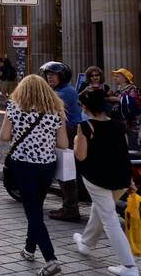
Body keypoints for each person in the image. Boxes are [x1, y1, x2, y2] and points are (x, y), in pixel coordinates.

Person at [0, 74, 68, 276]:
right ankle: (30, 249)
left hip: (23, 165)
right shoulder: (56, 110)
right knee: (36, 206)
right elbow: (63, 144)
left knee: (33, 213)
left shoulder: (14, 107)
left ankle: (51, 259)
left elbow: (4, 136)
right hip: (47, 166)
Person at [71, 88, 138, 276]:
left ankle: (129, 266)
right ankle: (86, 243)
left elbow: (80, 156)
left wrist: (77, 139)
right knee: (99, 210)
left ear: (85, 107)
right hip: (120, 178)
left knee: (109, 218)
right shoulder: (118, 125)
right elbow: (123, 153)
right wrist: (130, 179)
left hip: (97, 178)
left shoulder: (85, 127)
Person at [41, 61, 84, 223]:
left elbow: (47, 107)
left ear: (62, 76)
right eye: (47, 75)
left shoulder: (64, 92)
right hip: (67, 132)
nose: (49, 78)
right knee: (66, 171)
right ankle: (69, 205)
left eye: (53, 75)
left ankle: (71, 209)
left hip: (69, 133)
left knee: (66, 172)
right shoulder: (59, 90)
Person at [109, 68, 140, 150]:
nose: (115, 78)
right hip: (119, 122)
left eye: (118, 76)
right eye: (115, 76)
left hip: (130, 123)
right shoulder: (118, 90)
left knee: (131, 145)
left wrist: (116, 99)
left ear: (125, 78)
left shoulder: (132, 88)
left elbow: (133, 103)